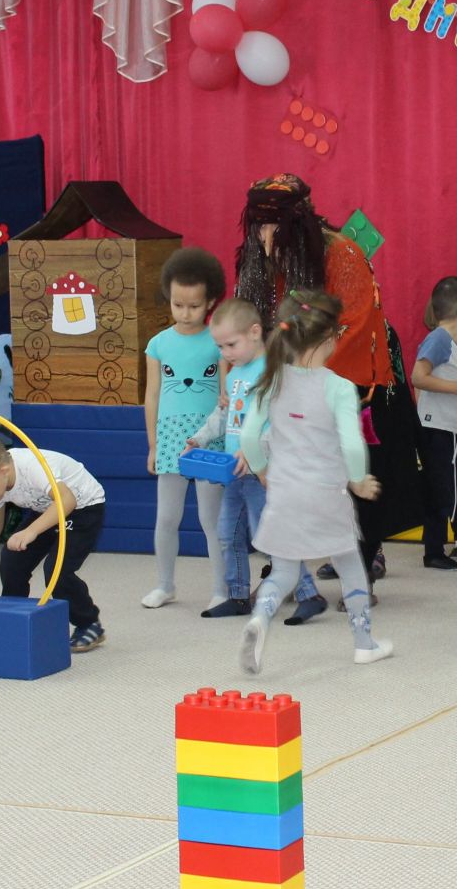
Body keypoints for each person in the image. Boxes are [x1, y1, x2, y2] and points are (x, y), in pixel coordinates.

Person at [233, 174, 417, 587]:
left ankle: (363, 563)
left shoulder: (340, 252)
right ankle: (291, 564)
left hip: (352, 371)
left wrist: (301, 370)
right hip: (295, 369)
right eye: (258, 224)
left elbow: (353, 323)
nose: (265, 233)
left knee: (356, 470)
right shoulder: (257, 260)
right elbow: (254, 318)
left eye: (274, 224)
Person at [236, 291, 392, 675]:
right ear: (329, 339)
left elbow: (249, 437)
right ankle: (363, 642)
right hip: (326, 494)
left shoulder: (271, 380)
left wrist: (261, 469)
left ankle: (260, 618)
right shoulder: (337, 387)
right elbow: (352, 444)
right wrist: (358, 479)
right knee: (350, 565)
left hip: (284, 494)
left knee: (285, 572)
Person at [191, 298, 321, 621]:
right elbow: (225, 415)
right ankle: (237, 596)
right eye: (220, 347)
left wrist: (254, 452)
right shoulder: (235, 375)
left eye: (230, 344)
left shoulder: (273, 373)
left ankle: (308, 593)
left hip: (265, 472)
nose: (225, 354)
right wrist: (198, 437)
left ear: (253, 333)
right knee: (227, 533)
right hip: (234, 472)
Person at [0, 432, 108, 654]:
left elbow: (67, 500)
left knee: (57, 570)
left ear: (3, 472)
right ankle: (14, 616)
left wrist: (31, 531)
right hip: (48, 508)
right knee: (12, 560)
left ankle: (88, 622)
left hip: (83, 508)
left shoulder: (33, 467)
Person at [142, 247, 227, 611]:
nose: (185, 312)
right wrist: (152, 446)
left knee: (211, 519)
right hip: (170, 439)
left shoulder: (218, 341)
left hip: (210, 438)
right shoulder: (158, 344)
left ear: (210, 302)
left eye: (194, 305)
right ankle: (165, 585)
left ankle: (222, 588)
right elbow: (152, 395)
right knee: (167, 517)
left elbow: (227, 395)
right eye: (178, 304)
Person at [411, 276, 457, 570]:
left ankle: (454, 546)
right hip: (439, 430)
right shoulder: (439, 339)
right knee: (447, 491)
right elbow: (418, 376)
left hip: (450, 429)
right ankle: (442, 548)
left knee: (454, 488)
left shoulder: (455, 344)